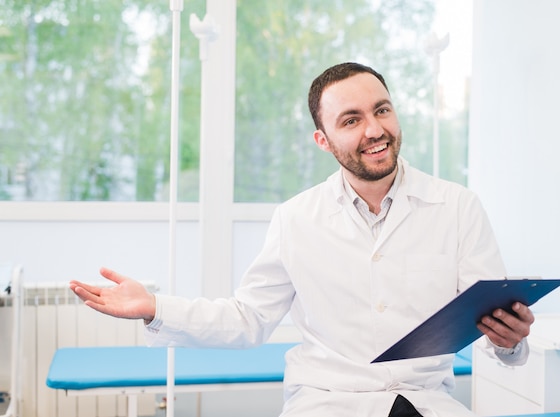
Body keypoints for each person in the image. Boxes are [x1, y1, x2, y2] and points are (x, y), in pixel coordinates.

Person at [70, 62, 534, 417]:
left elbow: (496, 332)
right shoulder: (295, 219)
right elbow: (247, 319)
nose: (374, 130)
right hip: (327, 402)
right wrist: (154, 307)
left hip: (424, 401)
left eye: (382, 110)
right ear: (324, 140)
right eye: (351, 120)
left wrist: (510, 341)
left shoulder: (457, 207)